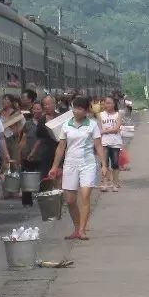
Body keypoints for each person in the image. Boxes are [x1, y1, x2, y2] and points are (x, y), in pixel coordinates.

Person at [47, 96, 106, 240]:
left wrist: (104, 164)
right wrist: (54, 167)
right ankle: (76, 227)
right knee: (70, 201)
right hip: (70, 164)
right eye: (74, 107)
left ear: (86, 111)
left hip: (88, 164)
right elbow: (61, 147)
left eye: (80, 108)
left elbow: (98, 145)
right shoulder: (66, 125)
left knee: (85, 196)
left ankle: (82, 230)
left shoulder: (92, 125)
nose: (76, 111)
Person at [20, 100, 58, 207]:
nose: (36, 111)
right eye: (34, 109)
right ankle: (30, 201)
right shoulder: (30, 123)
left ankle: (48, 199)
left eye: (38, 108)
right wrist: (23, 153)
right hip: (34, 154)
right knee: (31, 177)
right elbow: (25, 139)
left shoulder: (53, 120)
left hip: (49, 153)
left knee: (47, 177)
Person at [99, 96, 124, 192]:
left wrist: (105, 131)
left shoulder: (118, 114)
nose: (107, 105)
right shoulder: (101, 115)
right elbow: (99, 130)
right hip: (104, 143)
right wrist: (107, 131)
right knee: (104, 163)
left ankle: (115, 182)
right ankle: (105, 183)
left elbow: (116, 129)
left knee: (115, 163)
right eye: (106, 103)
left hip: (115, 143)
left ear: (114, 104)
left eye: (109, 103)